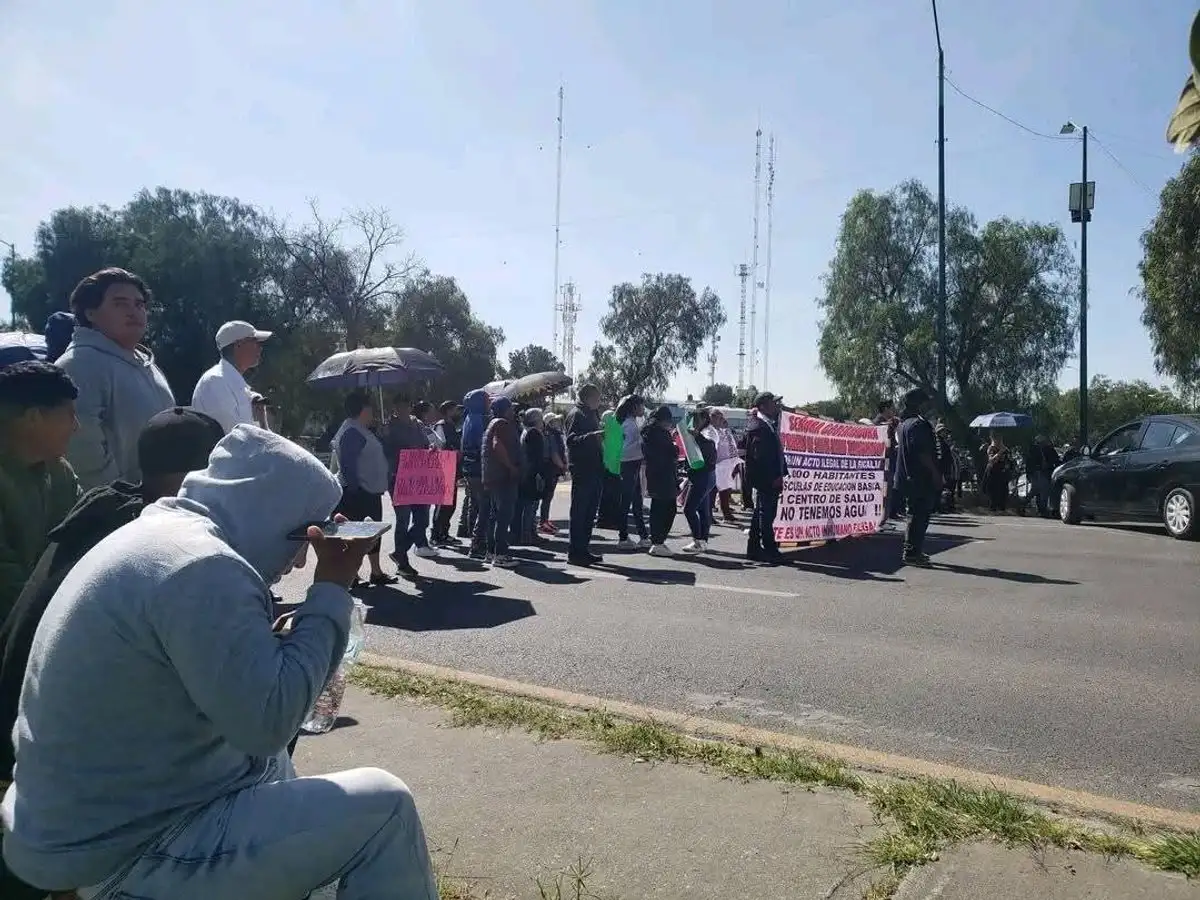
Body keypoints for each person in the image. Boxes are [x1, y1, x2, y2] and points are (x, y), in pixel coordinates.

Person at [2, 425, 439, 899]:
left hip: (77, 832)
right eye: (299, 538)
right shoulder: (203, 566)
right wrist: (331, 588)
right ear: (266, 511)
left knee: (269, 768)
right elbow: (269, 721)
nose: (296, 562)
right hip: (120, 854)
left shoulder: (160, 537)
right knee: (385, 809)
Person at [0, 407, 225, 782]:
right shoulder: (153, 542)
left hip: (20, 725)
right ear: (202, 477)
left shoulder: (109, 511)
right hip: (39, 760)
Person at [55, 268, 176, 491]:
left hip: (162, 505)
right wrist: (120, 502)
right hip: (121, 512)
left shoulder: (146, 364)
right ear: (90, 312)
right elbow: (81, 452)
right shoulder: (79, 364)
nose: (133, 311)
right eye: (120, 304)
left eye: (139, 304)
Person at [0, 362, 81, 621]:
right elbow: (9, 589)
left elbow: (86, 532)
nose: (77, 427)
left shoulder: (59, 471)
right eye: (69, 415)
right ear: (33, 417)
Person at [329, 391, 399, 588]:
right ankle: (352, 574)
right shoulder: (352, 431)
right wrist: (355, 488)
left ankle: (375, 572)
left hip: (369, 491)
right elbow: (348, 463)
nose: (373, 411)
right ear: (363, 409)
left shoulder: (361, 429)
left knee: (372, 533)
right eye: (370, 407)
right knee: (356, 536)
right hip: (358, 493)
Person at [383, 396, 437, 574]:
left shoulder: (418, 424)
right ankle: (403, 563)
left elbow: (429, 443)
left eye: (405, 406)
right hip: (399, 477)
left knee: (422, 519)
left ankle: (399, 551)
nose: (402, 410)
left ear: (410, 406)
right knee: (403, 520)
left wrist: (431, 449)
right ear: (394, 408)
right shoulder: (389, 427)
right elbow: (385, 452)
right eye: (399, 407)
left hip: (419, 474)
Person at [190, 320, 272, 433]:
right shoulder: (215, 382)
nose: (260, 347)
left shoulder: (230, 382)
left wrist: (262, 422)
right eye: (255, 341)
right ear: (238, 345)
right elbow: (236, 438)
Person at [893, 389, 942, 567]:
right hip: (920, 478)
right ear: (919, 404)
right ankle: (912, 552)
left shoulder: (905, 424)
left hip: (908, 477)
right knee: (919, 515)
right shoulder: (919, 425)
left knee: (915, 514)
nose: (928, 406)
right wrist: (935, 474)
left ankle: (914, 550)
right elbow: (923, 453)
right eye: (926, 402)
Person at [564, 384, 605, 566]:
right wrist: (593, 436)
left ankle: (583, 549)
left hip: (595, 468)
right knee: (580, 512)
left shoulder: (592, 414)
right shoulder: (576, 414)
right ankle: (575, 552)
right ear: (588, 397)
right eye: (597, 397)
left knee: (589, 513)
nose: (599, 401)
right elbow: (571, 440)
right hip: (582, 469)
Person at [477, 396, 520, 567]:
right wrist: (511, 466)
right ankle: (500, 554)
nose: (513, 411)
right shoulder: (502, 424)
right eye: (511, 408)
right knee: (503, 516)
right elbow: (497, 445)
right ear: (505, 409)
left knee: (494, 516)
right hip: (502, 477)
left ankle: (491, 552)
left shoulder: (491, 424)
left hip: (492, 477)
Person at [744, 394, 787, 563]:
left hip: (768, 478)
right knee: (766, 515)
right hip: (766, 479)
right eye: (773, 403)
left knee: (760, 515)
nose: (776, 406)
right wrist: (774, 476)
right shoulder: (759, 426)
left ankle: (754, 549)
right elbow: (760, 456)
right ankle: (770, 550)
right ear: (762, 406)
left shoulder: (766, 424)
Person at [641, 405, 679, 556]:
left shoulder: (648, 432)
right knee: (668, 509)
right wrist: (675, 449)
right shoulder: (661, 434)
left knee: (657, 508)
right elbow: (671, 453)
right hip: (665, 474)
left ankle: (655, 538)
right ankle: (658, 541)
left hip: (654, 474)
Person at [681, 408, 718, 554]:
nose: (693, 422)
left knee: (689, 509)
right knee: (703, 510)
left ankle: (698, 540)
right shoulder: (698, 434)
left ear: (703, 420)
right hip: (703, 475)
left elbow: (710, 450)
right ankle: (702, 541)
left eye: (695, 419)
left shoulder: (707, 433)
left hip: (703, 475)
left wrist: (698, 438)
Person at [614, 394, 649, 549]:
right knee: (627, 502)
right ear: (633, 407)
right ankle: (623, 538)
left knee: (636, 502)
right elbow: (625, 449)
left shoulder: (631, 422)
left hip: (632, 464)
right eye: (641, 405)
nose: (643, 408)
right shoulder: (629, 424)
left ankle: (643, 536)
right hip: (628, 465)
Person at [459, 390, 490, 552]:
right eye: (486, 400)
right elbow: (482, 446)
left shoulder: (468, 418)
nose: (489, 403)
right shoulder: (480, 420)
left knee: (474, 504)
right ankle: (478, 543)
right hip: (478, 468)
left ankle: (473, 537)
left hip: (468, 468)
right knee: (484, 505)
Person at [430, 401, 463, 546]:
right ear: (448, 411)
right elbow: (439, 446)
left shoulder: (451, 426)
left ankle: (445, 533)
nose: (458, 413)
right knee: (442, 504)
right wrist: (452, 452)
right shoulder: (441, 426)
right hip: (443, 469)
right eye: (456, 410)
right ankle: (436, 535)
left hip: (453, 468)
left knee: (451, 504)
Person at [517, 408, 547, 546]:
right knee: (531, 506)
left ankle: (527, 533)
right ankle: (528, 535)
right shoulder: (534, 433)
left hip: (526, 472)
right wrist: (540, 473)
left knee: (527, 505)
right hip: (532, 473)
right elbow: (537, 456)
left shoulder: (525, 431)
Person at [707, 408, 740, 525]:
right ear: (712, 418)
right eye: (719, 418)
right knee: (711, 491)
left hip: (725, 465)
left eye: (722, 418)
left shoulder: (723, 431)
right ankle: (708, 515)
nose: (722, 420)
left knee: (725, 490)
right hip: (715, 464)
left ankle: (726, 514)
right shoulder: (709, 431)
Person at [539, 412, 567, 534]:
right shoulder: (551, 435)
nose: (558, 423)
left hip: (553, 469)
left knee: (548, 497)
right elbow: (554, 453)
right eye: (555, 421)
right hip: (551, 469)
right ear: (550, 423)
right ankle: (543, 522)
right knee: (547, 496)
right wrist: (562, 466)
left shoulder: (555, 434)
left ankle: (545, 520)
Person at [1023, 434, 1060, 517]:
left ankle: (1025, 506)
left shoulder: (1033, 449)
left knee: (1036, 491)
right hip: (1041, 473)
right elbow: (1055, 460)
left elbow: (1028, 463)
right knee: (1043, 491)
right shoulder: (1045, 449)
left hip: (1037, 473)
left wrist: (1029, 474)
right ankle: (1042, 510)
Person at [983, 431, 1013, 512]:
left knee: (1003, 490)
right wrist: (1000, 452)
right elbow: (991, 460)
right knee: (993, 490)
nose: (999, 440)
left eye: (1000, 438)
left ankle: (1002, 506)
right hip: (993, 471)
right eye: (997, 438)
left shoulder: (1005, 448)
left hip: (1003, 472)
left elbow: (1009, 460)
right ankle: (993, 507)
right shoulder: (991, 448)